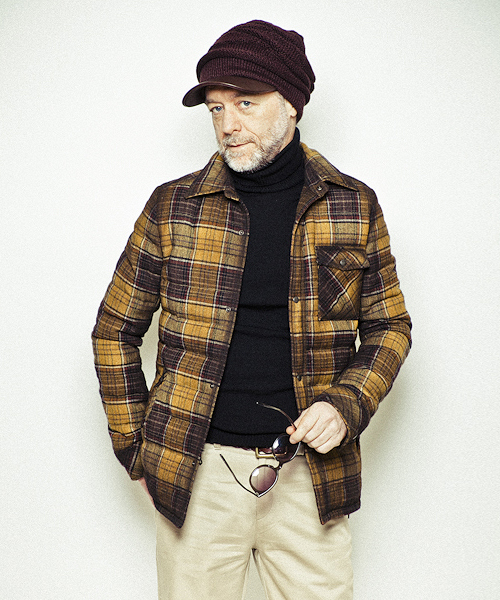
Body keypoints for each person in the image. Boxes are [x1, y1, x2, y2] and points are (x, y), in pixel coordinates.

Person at [92, 20, 411, 600]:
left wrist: (346, 404)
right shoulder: (173, 207)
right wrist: (136, 448)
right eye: (216, 108)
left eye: (245, 103)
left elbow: (389, 327)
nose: (227, 124)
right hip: (197, 475)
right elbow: (114, 329)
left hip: (310, 475)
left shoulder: (353, 206)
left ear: (291, 104)